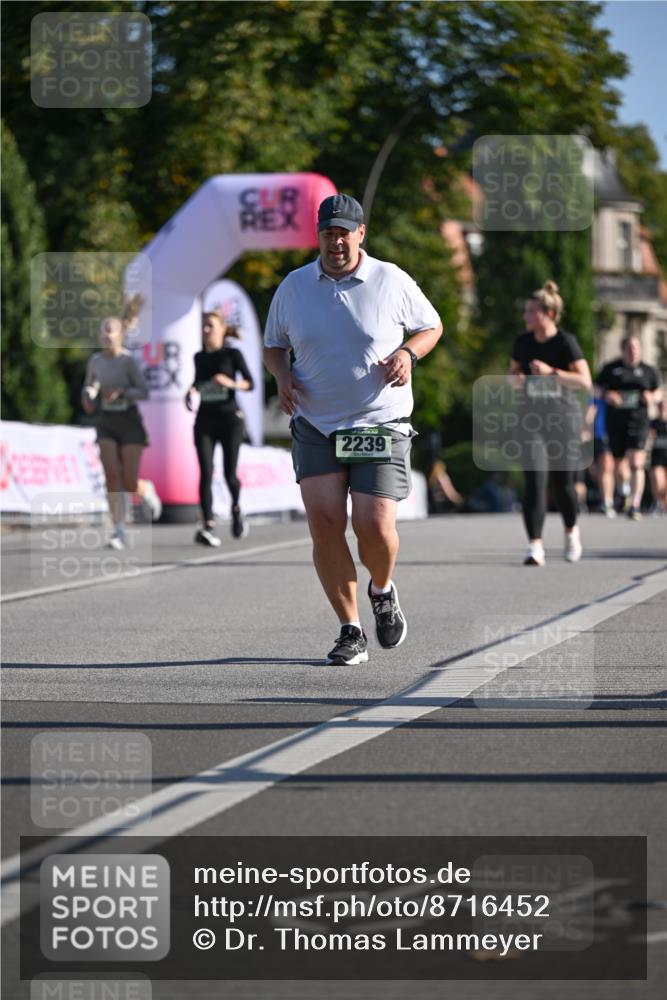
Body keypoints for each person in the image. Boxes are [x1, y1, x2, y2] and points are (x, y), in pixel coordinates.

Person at [264, 193, 442, 665]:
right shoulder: (295, 286)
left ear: (361, 234)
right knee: (325, 526)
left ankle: (382, 589)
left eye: (345, 232)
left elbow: (431, 326)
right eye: (328, 232)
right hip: (316, 423)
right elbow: (273, 344)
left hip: (380, 422)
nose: (336, 240)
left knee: (374, 524)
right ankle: (350, 630)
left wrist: (408, 354)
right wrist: (282, 377)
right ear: (318, 235)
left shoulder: (391, 279)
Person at [509, 280, 592, 566]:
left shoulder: (565, 342)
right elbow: (513, 374)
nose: (526, 316)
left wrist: (551, 372)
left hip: (562, 418)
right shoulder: (523, 342)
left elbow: (584, 380)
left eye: (531, 311)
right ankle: (536, 546)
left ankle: (571, 532)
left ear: (549, 314)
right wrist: (517, 380)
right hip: (531, 417)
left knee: (562, 485)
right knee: (534, 480)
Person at [81, 300, 161, 550]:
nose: (105, 334)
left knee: (128, 481)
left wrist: (123, 391)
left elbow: (144, 391)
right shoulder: (95, 361)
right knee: (110, 476)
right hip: (106, 422)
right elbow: (90, 384)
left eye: (110, 330)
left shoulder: (127, 362)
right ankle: (118, 530)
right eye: (102, 330)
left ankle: (145, 489)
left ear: (120, 334)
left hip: (129, 422)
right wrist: (89, 394)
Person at [185, 310, 254, 545]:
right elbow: (198, 381)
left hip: (229, 419)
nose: (206, 331)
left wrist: (230, 382)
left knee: (228, 473)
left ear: (223, 329)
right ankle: (208, 525)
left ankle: (236, 509)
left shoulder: (232, 354)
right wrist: (191, 390)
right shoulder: (199, 357)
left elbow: (249, 383)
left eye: (210, 326)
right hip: (205, 418)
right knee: (205, 471)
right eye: (203, 326)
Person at [595, 335, 662, 520]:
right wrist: (607, 395)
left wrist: (652, 397)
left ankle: (635, 504)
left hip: (639, 421)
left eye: (636, 347)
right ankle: (623, 490)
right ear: (623, 349)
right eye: (630, 348)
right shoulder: (611, 369)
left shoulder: (648, 371)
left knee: (636, 463)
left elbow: (658, 392)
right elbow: (595, 388)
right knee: (618, 464)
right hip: (615, 421)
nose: (633, 351)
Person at [648, 399, 667, 514]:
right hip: (657, 457)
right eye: (661, 406)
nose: (663, 408)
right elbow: (648, 439)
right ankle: (657, 501)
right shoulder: (653, 423)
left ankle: (662, 504)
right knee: (658, 481)